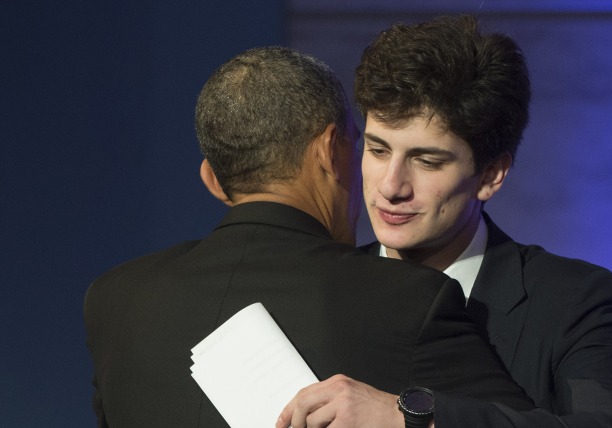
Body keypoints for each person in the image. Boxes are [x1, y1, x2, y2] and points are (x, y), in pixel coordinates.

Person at [83, 46, 534, 427]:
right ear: (331, 150)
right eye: (368, 147)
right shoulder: (409, 298)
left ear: (212, 181)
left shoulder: (114, 299)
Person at [278, 15, 612, 428]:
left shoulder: (572, 301)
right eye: (378, 150)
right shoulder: (321, 290)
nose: (391, 186)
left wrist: (412, 419)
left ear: (491, 175)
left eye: (426, 160)